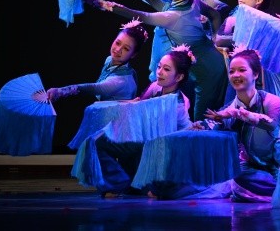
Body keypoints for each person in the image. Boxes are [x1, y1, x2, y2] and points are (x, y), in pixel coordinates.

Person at [85, 0, 228, 120]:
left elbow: (141, 15)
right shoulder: (190, 2)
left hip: (209, 72)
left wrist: (101, 3)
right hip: (199, 67)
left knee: (201, 123)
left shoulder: (173, 16)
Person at [77, 46, 195, 197]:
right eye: (159, 67)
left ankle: (136, 184)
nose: (159, 72)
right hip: (143, 141)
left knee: (111, 143)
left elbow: (178, 131)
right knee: (98, 141)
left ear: (178, 77)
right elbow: (139, 105)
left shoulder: (178, 103)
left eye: (166, 69)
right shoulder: (156, 87)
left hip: (159, 151)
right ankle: (120, 182)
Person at [189, 47, 280, 202]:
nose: (236, 75)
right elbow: (217, 123)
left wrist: (241, 114)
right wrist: (202, 126)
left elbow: (271, 125)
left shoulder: (271, 101)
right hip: (251, 166)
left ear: (255, 74)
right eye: (232, 71)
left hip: (279, 162)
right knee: (232, 175)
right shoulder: (230, 108)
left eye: (242, 70)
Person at [45, 19, 149, 102]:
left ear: (133, 54)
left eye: (126, 49)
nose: (118, 50)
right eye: (117, 43)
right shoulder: (109, 59)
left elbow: (94, 88)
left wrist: (60, 91)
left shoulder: (121, 81)